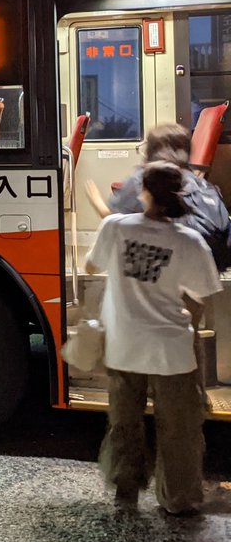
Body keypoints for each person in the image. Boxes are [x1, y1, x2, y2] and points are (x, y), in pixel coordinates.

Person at [85, 161, 223, 515]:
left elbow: (91, 267)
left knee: (124, 423)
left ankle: (126, 490)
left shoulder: (115, 228)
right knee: (179, 429)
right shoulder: (189, 240)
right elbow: (202, 295)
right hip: (171, 351)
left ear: (142, 191)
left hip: (123, 345)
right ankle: (178, 498)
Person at [85, 123, 231, 271]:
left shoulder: (143, 179)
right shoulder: (201, 184)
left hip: (171, 264)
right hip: (213, 263)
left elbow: (112, 219)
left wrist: (95, 199)